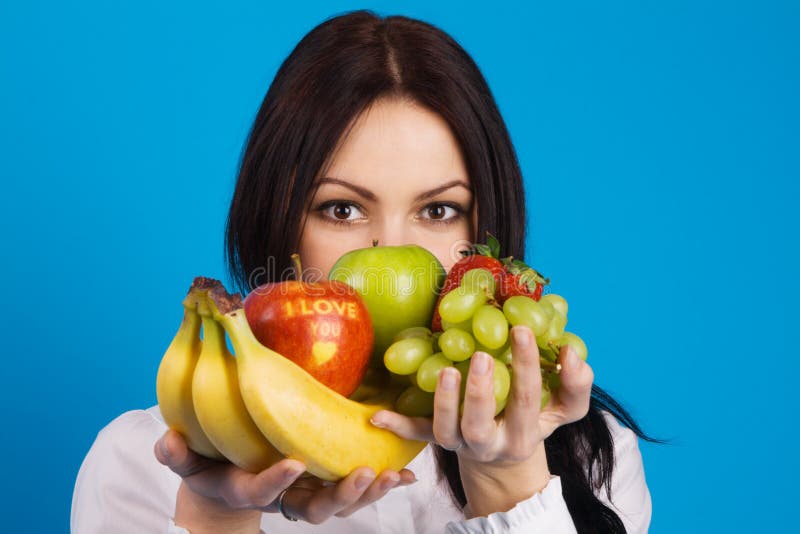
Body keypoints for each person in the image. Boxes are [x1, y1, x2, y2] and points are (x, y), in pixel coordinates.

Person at [71, 10, 655, 533]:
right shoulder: (143, 463)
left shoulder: (589, 459)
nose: (391, 252)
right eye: (342, 210)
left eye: (438, 210)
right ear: (276, 217)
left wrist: (510, 483)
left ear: (483, 228)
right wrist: (216, 516)